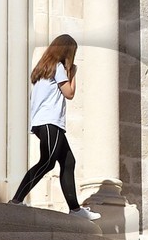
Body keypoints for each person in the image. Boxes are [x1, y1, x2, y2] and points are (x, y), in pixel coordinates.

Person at [11, 35, 94, 215]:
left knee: (68, 161)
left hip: (43, 123)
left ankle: (75, 209)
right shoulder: (58, 68)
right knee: (47, 162)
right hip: (50, 122)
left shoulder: (43, 70)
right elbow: (69, 93)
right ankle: (16, 200)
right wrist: (73, 72)